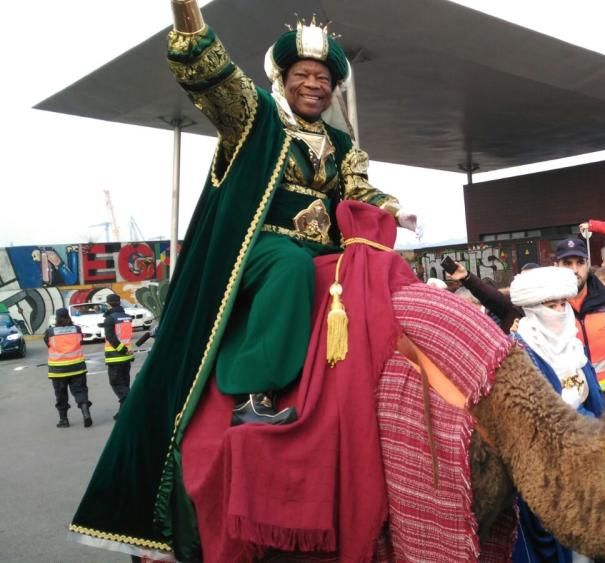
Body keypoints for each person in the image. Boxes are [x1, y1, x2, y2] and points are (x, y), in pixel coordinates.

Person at [71, 3, 418, 556]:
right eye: (303, 76)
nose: (313, 85)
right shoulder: (258, 120)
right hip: (260, 250)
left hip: (321, 252)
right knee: (287, 267)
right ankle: (255, 391)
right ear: (283, 79)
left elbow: (359, 193)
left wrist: (392, 208)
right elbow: (219, 83)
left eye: (323, 79)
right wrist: (191, 23)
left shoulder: (345, 148)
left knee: (378, 276)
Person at [509, 266, 605, 562]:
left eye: (564, 304)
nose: (560, 312)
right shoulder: (519, 354)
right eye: (552, 306)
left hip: (590, 465)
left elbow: (596, 406)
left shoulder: (575, 348)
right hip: (548, 478)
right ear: (533, 309)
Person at [553, 237, 605, 392]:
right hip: (572, 398)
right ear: (556, 266)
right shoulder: (550, 311)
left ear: (587, 265)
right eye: (567, 263)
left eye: (580, 263)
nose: (575, 270)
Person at [44, 308, 92, 428]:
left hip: (58, 370)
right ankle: (86, 413)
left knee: (61, 395)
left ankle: (64, 420)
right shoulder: (77, 329)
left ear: (57, 318)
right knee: (80, 391)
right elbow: (81, 341)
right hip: (77, 367)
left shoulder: (50, 332)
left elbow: (48, 343)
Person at [102, 293, 133, 419]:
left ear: (108, 304)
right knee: (124, 384)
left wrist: (122, 349)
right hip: (127, 357)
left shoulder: (110, 319)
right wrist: (125, 350)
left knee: (116, 384)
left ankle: (132, 403)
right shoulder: (127, 317)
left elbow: (111, 337)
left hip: (116, 357)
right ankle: (122, 413)